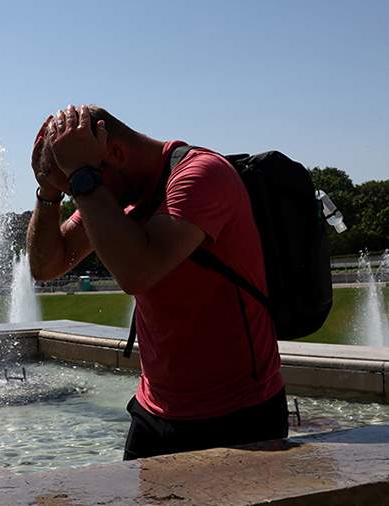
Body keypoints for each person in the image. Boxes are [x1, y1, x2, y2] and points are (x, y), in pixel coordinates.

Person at [26, 104, 287, 460]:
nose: (80, 194)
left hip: (237, 413)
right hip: (156, 409)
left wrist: (83, 176)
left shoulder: (201, 175)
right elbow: (47, 265)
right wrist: (48, 191)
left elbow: (138, 271)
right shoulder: (114, 191)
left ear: (114, 152)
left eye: (78, 182)